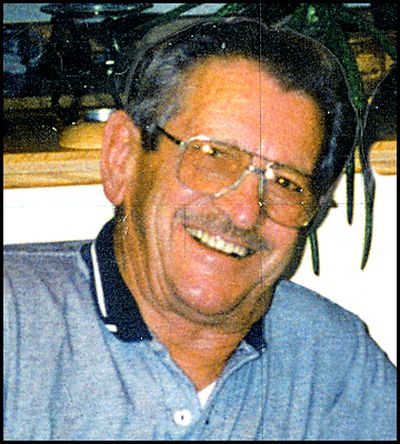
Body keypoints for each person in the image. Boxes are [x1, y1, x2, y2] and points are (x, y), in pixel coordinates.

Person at [3, 17, 396, 440]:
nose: (245, 213)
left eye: (285, 182)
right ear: (123, 158)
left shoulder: (334, 361)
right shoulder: (15, 325)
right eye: (213, 156)